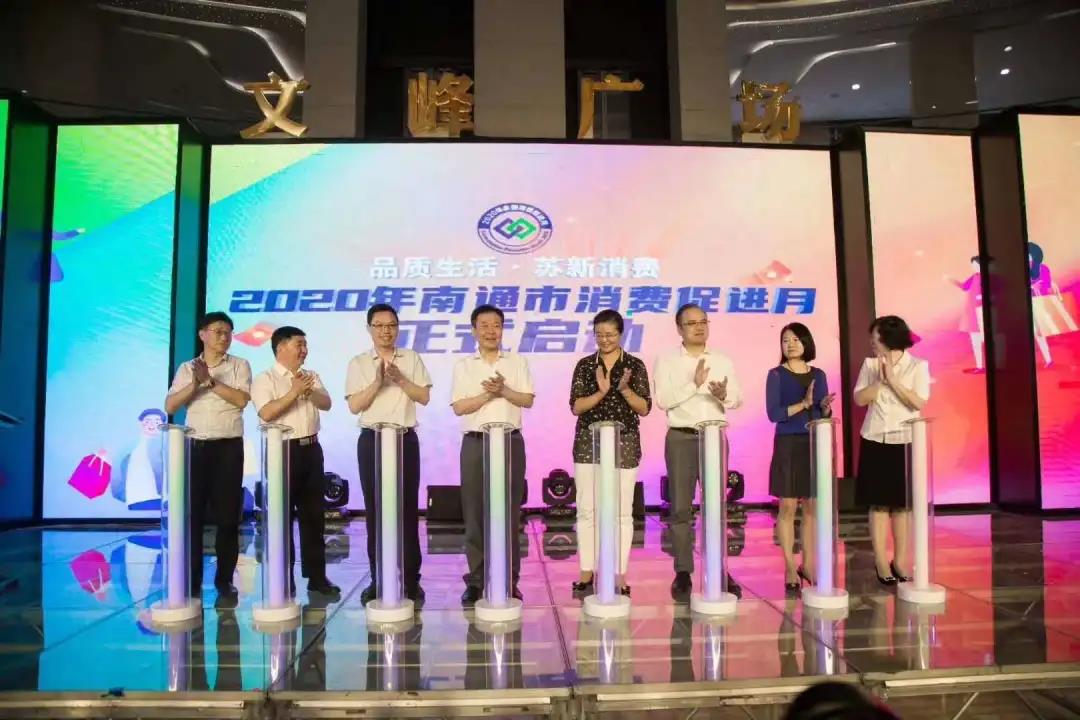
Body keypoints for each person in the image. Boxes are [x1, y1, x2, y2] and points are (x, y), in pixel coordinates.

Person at [345, 303, 432, 606]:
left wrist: (401, 380)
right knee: (376, 510)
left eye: (391, 325)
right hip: (372, 439)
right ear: (369, 328)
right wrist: (378, 382)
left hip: (404, 438)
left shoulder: (411, 358)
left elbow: (424, 396)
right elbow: (355, 406)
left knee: (407, 509)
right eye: (380, 325)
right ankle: (378, 578)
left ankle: (411, 580)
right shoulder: (359, 362)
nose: (386, 331)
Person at [654, 303, 743, 598]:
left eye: (703, 321)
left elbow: (737, 399)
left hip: (714, 436)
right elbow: (663, 400)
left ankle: (720, 568)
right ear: (679, 329)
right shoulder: (667, 361)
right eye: (691, 323)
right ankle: (683, 571)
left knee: (715, 506)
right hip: (681, 436)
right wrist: (693, 385)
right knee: (680, 507)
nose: (699, 327)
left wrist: (724, 395)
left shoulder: (722, 360)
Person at [164, 311, 251, 602]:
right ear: (202, 334)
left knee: (228, 518)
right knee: (193, 516)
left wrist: (211, 382)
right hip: (196, 446)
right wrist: (195, 384)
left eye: (228, 332)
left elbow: (241, 400)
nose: (224, 337)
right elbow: (170, 406)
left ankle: (225, 580)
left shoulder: (239, 365)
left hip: (228, 447)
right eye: (218, 331)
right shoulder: (187, 368)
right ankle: (192, 579)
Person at [451, 305, 534, 605]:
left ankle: (509, 580)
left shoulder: (517, 361)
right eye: (484, 325)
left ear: (502, 329)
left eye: (496, 325)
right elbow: (459, 407)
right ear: (474, 330)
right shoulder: (464, 365)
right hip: (476, 442)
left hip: (510, 441)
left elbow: (527, 399)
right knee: (474, 513)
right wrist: (489, 394)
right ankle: (476, 580)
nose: (490, 331)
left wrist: (504, 390)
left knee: (509, 513)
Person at [251, 326, 340, 597]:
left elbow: (327, 403)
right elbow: (266, 413)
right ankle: (283, 577)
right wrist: (294, 392)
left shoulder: (310, 376)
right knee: (281, 517)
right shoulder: (264, 379)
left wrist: (308, 390)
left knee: (314, 516)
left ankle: (317, 577)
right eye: (299, 344)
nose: (304, 350)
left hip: (311, 449)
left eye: (305, 345)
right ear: (281, 347)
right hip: (282, 451)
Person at [569, 309, 651, 597]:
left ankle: (619, 573)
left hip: (624, 442)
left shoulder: (635, 365)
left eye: (610, 335)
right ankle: (586, 571)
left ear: (621, 334)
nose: (604, 340)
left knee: (622, 511)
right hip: (588, 443)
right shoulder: (584, 365)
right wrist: (601, 392)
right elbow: (576, 407)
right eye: (599, 335)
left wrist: (625, 390)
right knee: (586, 509)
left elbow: (644, 408)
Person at [854, 315, 930, 585]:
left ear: (888, 338)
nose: (872, 342)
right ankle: (880, 560)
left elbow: (917, 402)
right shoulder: (870, 365)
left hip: (905, 439)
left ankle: (899, 560)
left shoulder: (918, 366)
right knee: (878, 503)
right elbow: (859, 398)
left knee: (901, 505)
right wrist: (880, 381)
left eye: (875, 336)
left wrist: (894, 381)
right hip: (875, 437)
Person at [765, 323, 834, 595]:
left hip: (813, 443)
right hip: (788, 443)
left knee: (812, 508)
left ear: (806, 342)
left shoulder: (819, 374)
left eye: (795, 339)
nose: (790, 344)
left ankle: (808, 564)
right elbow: (774, 414)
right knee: (788, 505)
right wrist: (803, 405)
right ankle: (790, 567)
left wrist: (824, 408)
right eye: (785, 340)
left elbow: (822, 414)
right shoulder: (776, 375)